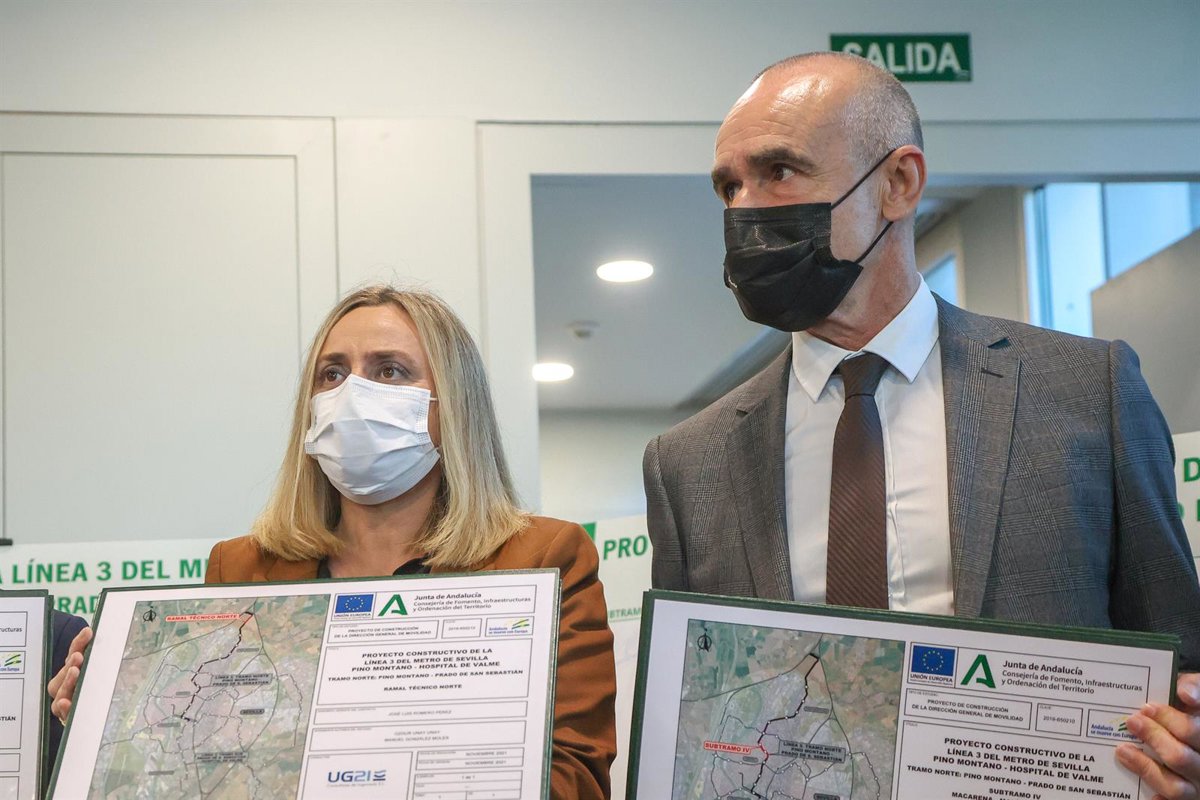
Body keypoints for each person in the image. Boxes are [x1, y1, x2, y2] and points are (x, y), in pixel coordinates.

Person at [642, 51, 1200, 798]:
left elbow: (1179, 651)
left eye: (779, 171)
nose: (745, 210)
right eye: (728, 186)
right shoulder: (689, 463)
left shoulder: (1085, 392)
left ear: (898, 183)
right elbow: (694, 710)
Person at [51, 286, 617, 799]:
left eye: (390, 371)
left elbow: (575, 780)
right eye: (332, 373)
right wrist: (118, 726)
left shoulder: (543, 559)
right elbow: (210, 766)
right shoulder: (241, 568)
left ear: (454, 404)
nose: (352, 394)